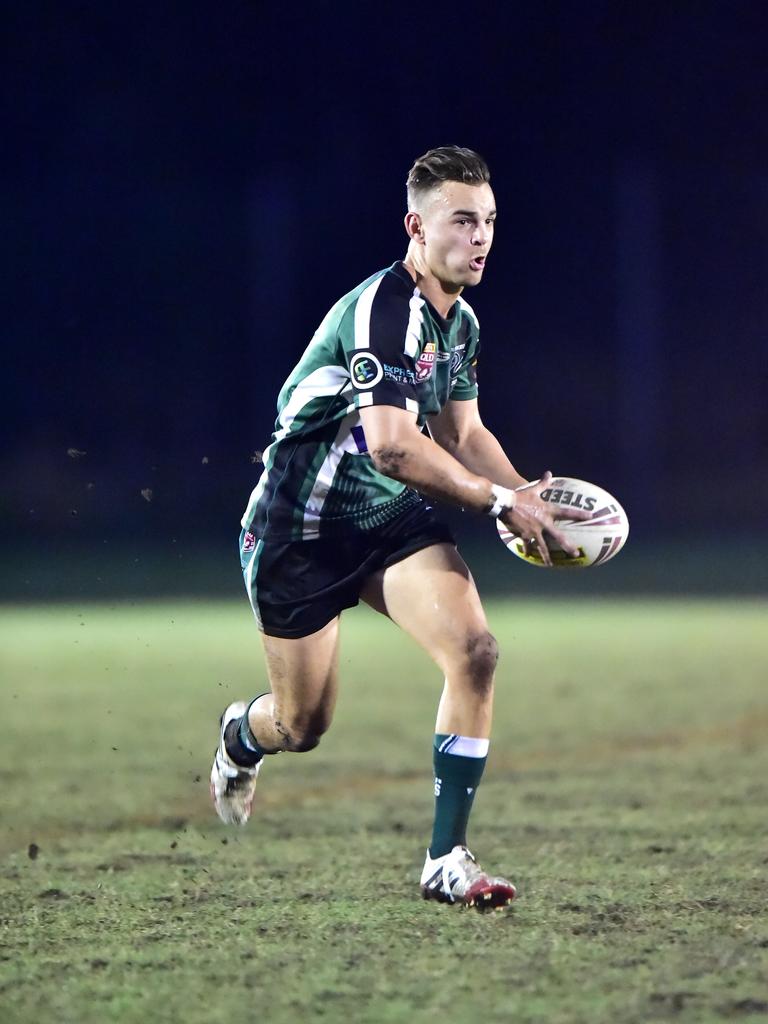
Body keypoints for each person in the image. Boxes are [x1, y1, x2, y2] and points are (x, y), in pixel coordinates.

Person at [210, 145, 585, 910]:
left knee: (475, 650)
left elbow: (462, 430)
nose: (478, 238)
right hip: (298, 529)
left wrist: (522, 494)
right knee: (302, 723)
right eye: (460, 222)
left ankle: (446, 858)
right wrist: (492, 502)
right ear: (416, 226)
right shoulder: (384, 311)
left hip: (385, 517)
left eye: (487, 222)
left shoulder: (460, 322)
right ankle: (241, 738)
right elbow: (391, 442)